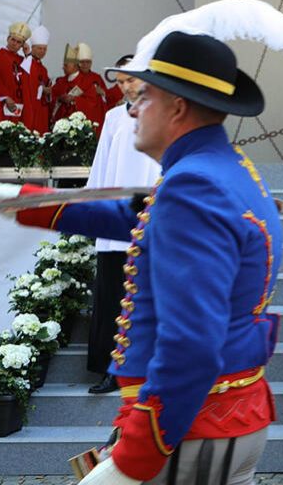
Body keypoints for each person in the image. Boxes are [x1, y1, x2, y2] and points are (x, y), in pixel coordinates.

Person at [0, 0, 283, 484]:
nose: (132, 110)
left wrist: (132, 461)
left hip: (189, 432)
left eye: (143, 96)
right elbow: (135, 217)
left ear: (178, 107)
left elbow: (191, 345)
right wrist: (4, 198)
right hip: (215, 421)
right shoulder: (218, 169)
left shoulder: (193, 185)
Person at [82, 55, 162, 396]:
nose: (126, 86)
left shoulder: (162, 113)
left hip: (152, 219)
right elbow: (101, 165)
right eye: (120, 82)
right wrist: (92, 208)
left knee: (150, 297)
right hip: (115, 218)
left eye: (131, 79)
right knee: (113, 296)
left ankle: (151, 368)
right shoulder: (113, 117)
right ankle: (111, 369)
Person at [0, 22, 31, 123]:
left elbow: (30, 79)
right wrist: (5, 96)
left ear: (22, 46)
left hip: (19, 104)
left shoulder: (23, 61)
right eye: (13, 40)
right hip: (3, 102)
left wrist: (28, 55)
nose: (14, 44)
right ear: (8, 39)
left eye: (19, 42)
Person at [20, 26, 52, 133]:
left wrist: (48, 90)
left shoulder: (43, 69)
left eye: (44, 49)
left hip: (41, 109)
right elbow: (28, 84)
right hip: (31, 107)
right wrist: (42, 89)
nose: (42, 51)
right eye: (39, 48)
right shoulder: (28, 63)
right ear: (33, 48)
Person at [71, 43, 109, 134]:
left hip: (96, 115)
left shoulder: (97, 77)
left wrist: (103, 93)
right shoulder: (74, 77)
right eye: (82, 62)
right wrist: (92, 92)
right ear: (78, 63)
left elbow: (106, 95)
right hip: (79, 116)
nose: (85, 65)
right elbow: (72, 96)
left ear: (91, 63)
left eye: (88, 62)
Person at [50, 43, 79, 124]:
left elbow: (90, 101)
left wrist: (74, 99)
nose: (63, 67)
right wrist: (59, 99)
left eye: (66, 65)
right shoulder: (60, 82)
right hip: (61, 121)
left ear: (75, 66)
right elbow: (51, 98)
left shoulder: (85, 81)